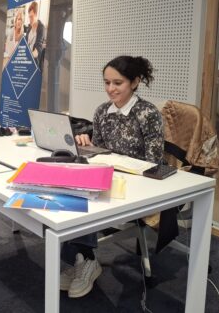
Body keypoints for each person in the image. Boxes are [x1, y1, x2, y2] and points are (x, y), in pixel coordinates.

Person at [60, 55, 164, 299]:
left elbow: (154, 163)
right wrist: (87, 145)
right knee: (73, 192)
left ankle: (85, 260)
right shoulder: (102, 111)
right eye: (107, 83)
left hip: (137, 185)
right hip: (109, 177)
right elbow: (100, 152)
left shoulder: (147, 113)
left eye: (118, 83)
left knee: (89, 200)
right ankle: (82, 258)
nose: (110, 89)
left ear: (135, 82)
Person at [25, 0, 46, 70]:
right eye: (29, 17)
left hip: (35, 62)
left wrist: (28, 57)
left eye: (31, 17)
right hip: (27, 61)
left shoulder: (41, 28)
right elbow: (25, 44)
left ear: (36, 14)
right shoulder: (29, 27)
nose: (30, 19)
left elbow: (38, 50)